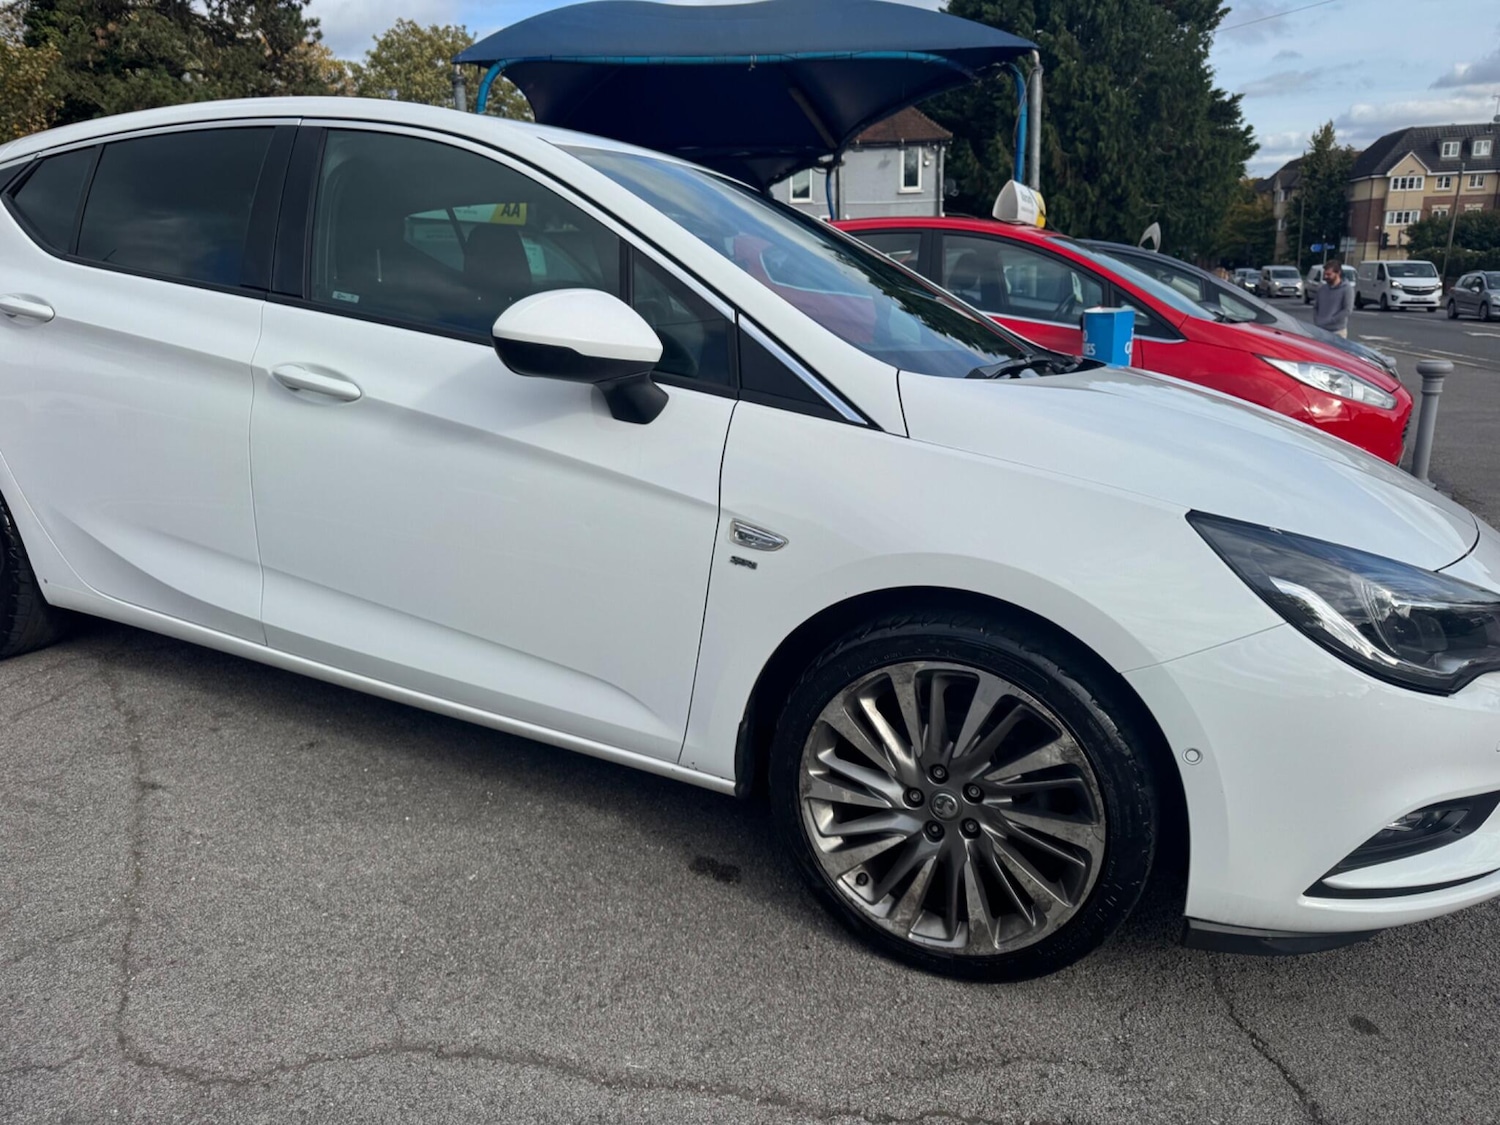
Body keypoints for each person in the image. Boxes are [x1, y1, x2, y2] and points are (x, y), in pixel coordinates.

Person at [1313, 258, 1355, 337]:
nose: (1325, 277)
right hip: (1320, 330)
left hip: (1337, 331)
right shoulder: (1322, 289)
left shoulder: (1347, 289)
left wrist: (1331, 320)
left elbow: (1347, 310)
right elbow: (1316, 307)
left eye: (1329, 274)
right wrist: (1317, 320)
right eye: (1325, 274)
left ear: (1338, 273)